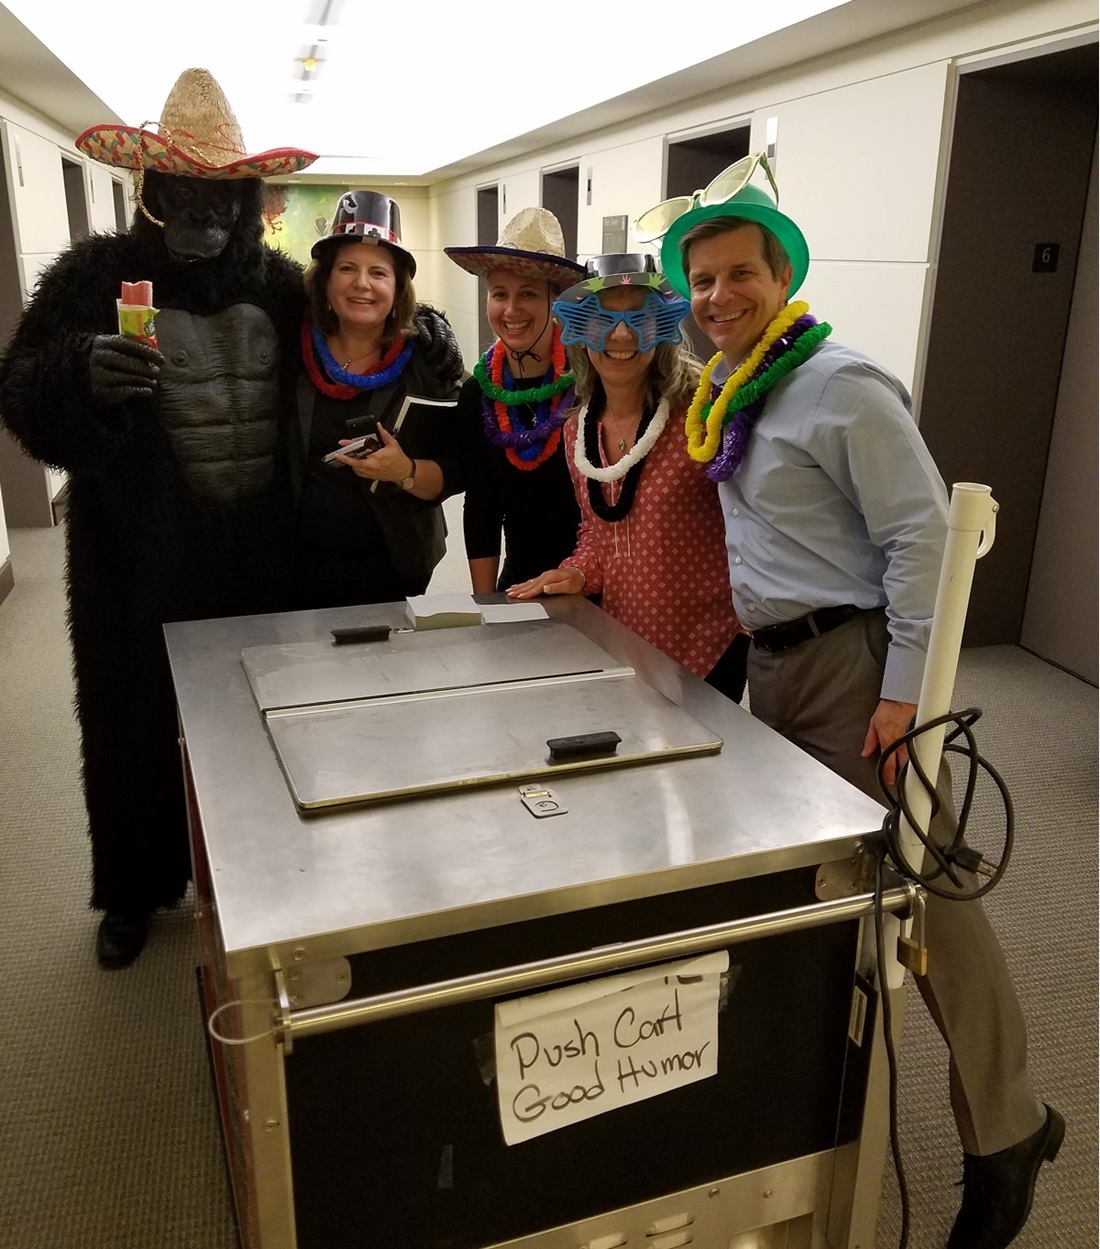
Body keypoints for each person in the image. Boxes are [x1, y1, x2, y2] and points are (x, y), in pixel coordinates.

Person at [653, 155, 1061, 1248]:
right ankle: (819, 1103)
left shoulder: (840, 383)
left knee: (924, 891)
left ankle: (1006, 1128)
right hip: (776, 671)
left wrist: (902, 694)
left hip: (853, 667)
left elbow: (922, 539)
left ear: (781, 275)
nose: (716, 295)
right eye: (699, 281)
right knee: (839, 888)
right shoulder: (737, 386)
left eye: (739, 273)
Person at [508, 254, 748, 703]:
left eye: (640, 319)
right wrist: (576, 572)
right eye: (602, 321)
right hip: (624, 637)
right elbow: (597, 535)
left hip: (709, 642)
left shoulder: (702, 413)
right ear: (580, 330)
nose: (621, 336)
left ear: (663, 328)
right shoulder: (577, 431)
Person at [292, 192, 462, 607]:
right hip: (296, 564)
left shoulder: (428, 361)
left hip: (395, 566)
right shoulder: (290, 348)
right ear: (326, 280)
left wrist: (404, 471)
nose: (362, 284)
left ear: (398, 287)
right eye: (347, 268)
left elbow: (456, 470)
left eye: (378, 273)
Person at [444, 208, 584, 592]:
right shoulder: (478, 393)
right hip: (520, 582)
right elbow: (482, 508)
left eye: (528, 294)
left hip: (591, 581)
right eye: (499, 294)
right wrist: (485, 603)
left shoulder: (589, 382)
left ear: (555, 301)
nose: (511, 310)